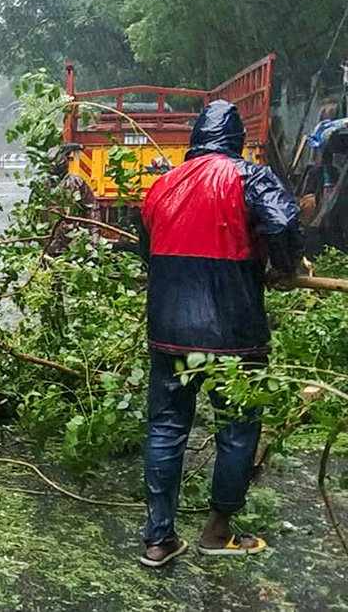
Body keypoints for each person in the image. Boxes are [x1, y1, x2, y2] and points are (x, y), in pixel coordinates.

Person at [137, 100, 302, 567]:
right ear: (236, 141)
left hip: (168, 331)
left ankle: (158, 539)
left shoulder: (161, 186)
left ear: (195, 141)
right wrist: (283, 267)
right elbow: (285, 221)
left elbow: (148, 253)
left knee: (166, 429)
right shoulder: (249, 176)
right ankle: (217, 530)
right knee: (237, 427)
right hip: (235, 331)